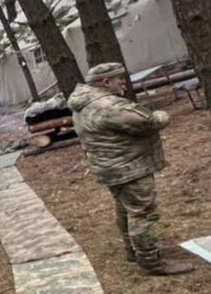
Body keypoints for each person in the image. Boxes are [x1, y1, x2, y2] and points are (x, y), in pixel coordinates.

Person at [67, 62, 193, 275]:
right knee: (142, 213)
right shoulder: (109, 106)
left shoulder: (84, 103)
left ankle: (132, 250)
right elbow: (149, 122)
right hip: (128, 167)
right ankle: (151, 262)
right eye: (120, 79)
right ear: (106, 82)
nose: (124, 82)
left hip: (109, 167)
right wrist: (163, 115)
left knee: (125, 209)